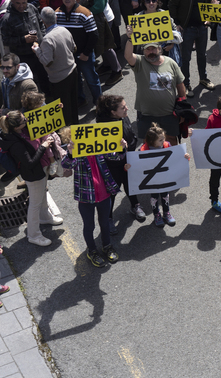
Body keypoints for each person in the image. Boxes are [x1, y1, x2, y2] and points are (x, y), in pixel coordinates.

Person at [61, 126, 123, 267]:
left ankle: (107, 246)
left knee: (105, 222)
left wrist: (121, 147)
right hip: (86, 197)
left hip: (104, 194)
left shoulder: (97, 147)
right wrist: (70, 153)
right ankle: (92, 250)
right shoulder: (76, 153)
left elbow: (114, 156)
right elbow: (67, 164)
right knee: (89, 225)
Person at [0, 111, 63, 247]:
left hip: (39, 170)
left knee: (42, 195)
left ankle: (45, 217)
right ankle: (33, 235)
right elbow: (29, 163)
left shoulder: (20, 132)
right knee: (34, 204)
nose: (27, 120)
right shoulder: (16, 144)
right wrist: (43, 146)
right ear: (17, 127)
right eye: (24, 120)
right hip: (33, 174)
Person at [123, 24, 186, 144]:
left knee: (171, 139)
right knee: (149, 142)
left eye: (153, 49)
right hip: (146, 114)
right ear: (143, 51)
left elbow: (180, 84)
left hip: (169, 113)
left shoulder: (171, 63)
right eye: (147, 49)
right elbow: (128, 56)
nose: (151, 52)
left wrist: (183, 108)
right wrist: (130, 39)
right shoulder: (140, 62)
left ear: (160, 49)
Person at [95, 94, 146, 226]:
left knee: (131, 185)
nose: (127, 109)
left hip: (129, 160)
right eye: (123, 107)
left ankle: (135, 206)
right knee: (112, 191)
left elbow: (130, 132)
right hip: (114, 165)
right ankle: (108, 218)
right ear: (113, 112)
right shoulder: (104, 127)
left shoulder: (122, 116)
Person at [127, 123, 190, 228]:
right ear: (152, 141)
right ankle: (157, 214)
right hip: (152, 180)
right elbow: (137, 165)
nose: (163, 141)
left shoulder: (167, 145)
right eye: (160, 140)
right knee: (154, 197)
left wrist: (185, 157)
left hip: (164, 178)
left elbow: (176, 158)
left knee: (165, 195)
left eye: (163, 138)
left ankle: (166, 213)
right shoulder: (143, 150)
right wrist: (129, 166)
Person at [168, 0, 216, 98]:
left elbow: (207, 2)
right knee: (186, 58)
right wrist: (176, 23)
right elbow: (172, 5)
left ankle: (203, 78)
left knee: (202, 55)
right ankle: (186, 83)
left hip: (202, 27)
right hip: (186, 28)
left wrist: (209, 17)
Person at [78, 0, 121, 84]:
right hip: (96, 19)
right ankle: (107, 66)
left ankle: (117, 71)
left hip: (103, 20)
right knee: (101, 46)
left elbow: (99, 7)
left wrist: (82, 8)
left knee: (106, 46)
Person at [32, 6, 78, 125]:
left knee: (64, 108)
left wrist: (37, 51)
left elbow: (47, 61)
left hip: (59, 79)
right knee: (73, 103)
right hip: (73, 72)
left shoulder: (47, 40)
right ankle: (76, 125)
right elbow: (74, 48)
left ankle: (67, 134)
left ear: (42, 21)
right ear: (55, 17)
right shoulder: (64, 30)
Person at [1, 0, 49, 95]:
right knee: (30, 81)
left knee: (44, 76)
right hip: (24, 56)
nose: (21, 6)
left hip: (39, 51)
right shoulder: (7, 19)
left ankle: (49, 97)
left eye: (24, 2)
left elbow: (41, 24)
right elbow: (5, 40)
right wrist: (23, 39)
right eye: (18, 3)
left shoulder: (32, 8)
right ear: (12, 1)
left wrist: (44, 37)